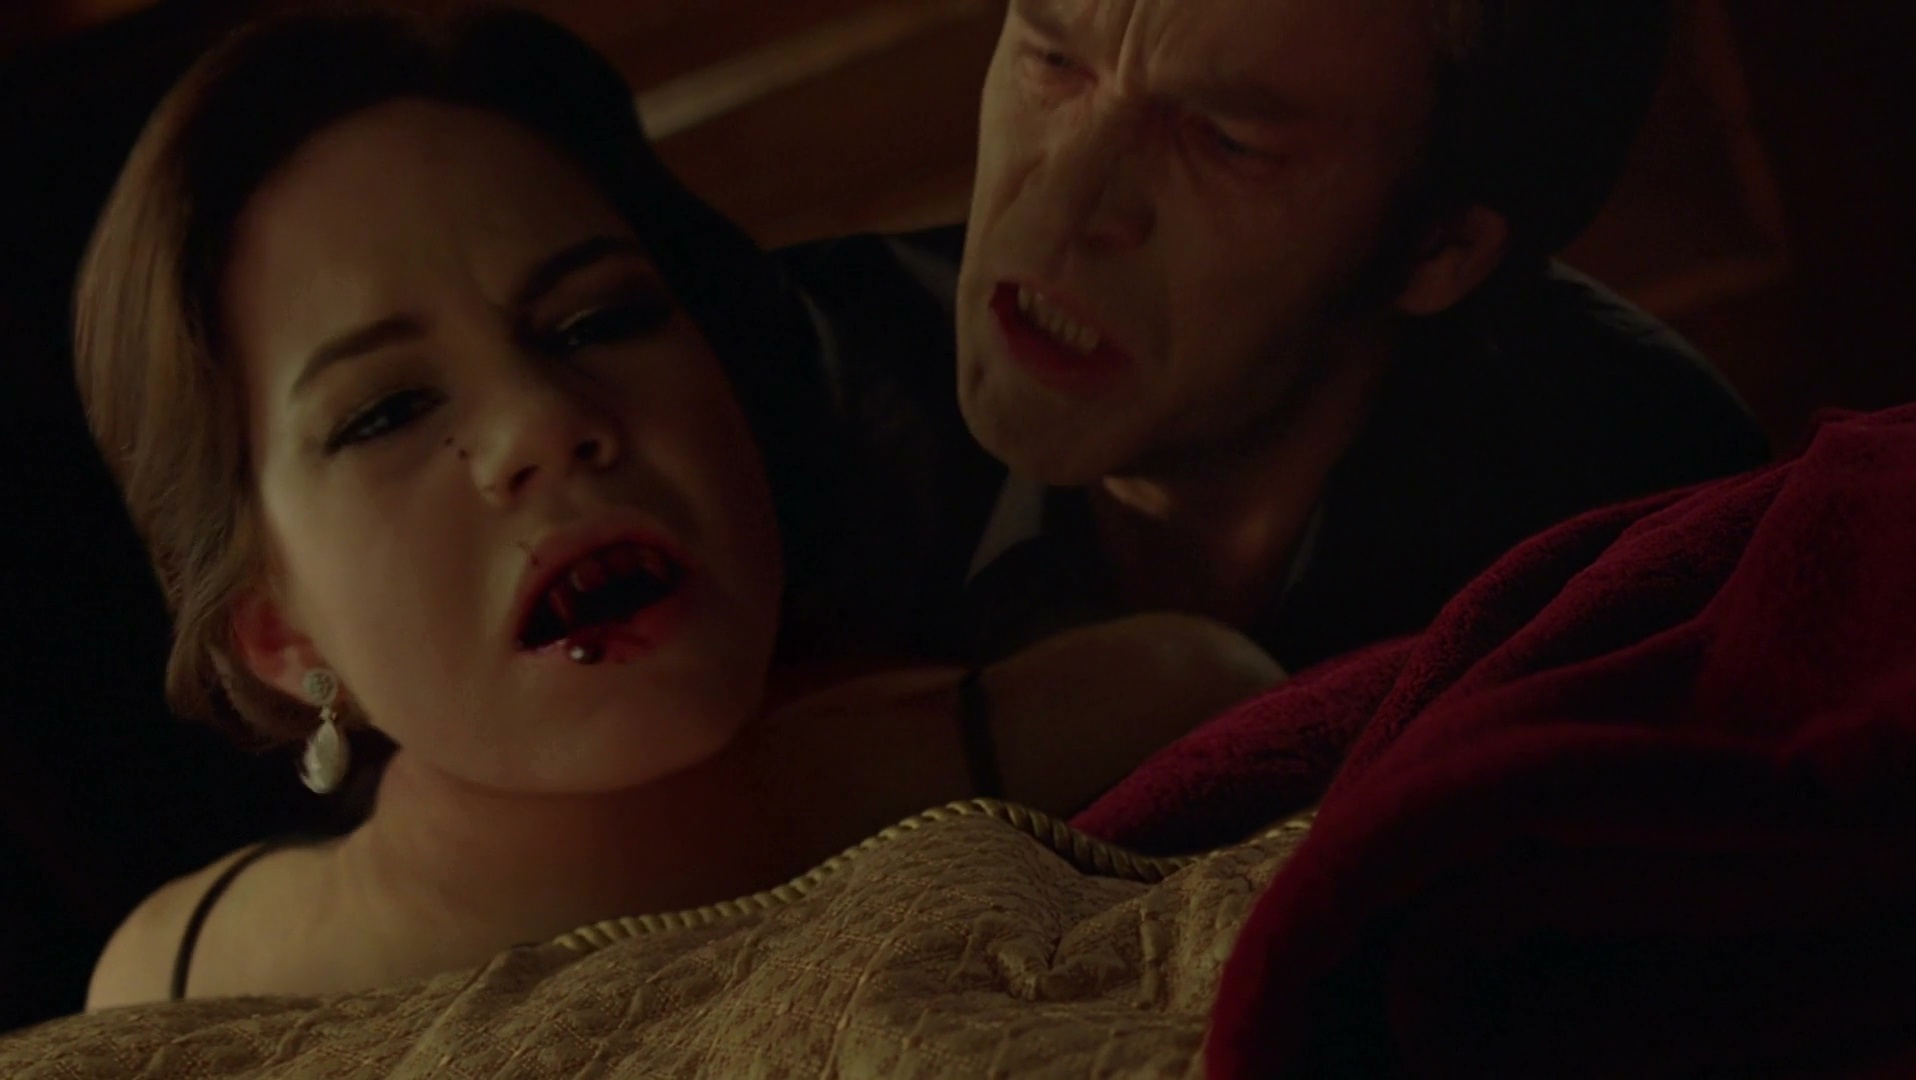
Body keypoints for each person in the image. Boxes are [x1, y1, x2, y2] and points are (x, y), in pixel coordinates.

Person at [76, 7, 1280, 1008]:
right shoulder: (176, 990)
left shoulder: (1137, 721)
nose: (542, 424)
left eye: (598, 321)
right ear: (275, 633)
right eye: (386, 411)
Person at [782, 0, 1773, 671]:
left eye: (1225, 142)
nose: (1060, 206)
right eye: (1051, 61)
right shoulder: (790, 391)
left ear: (1438, 247)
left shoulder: (1634, 525)